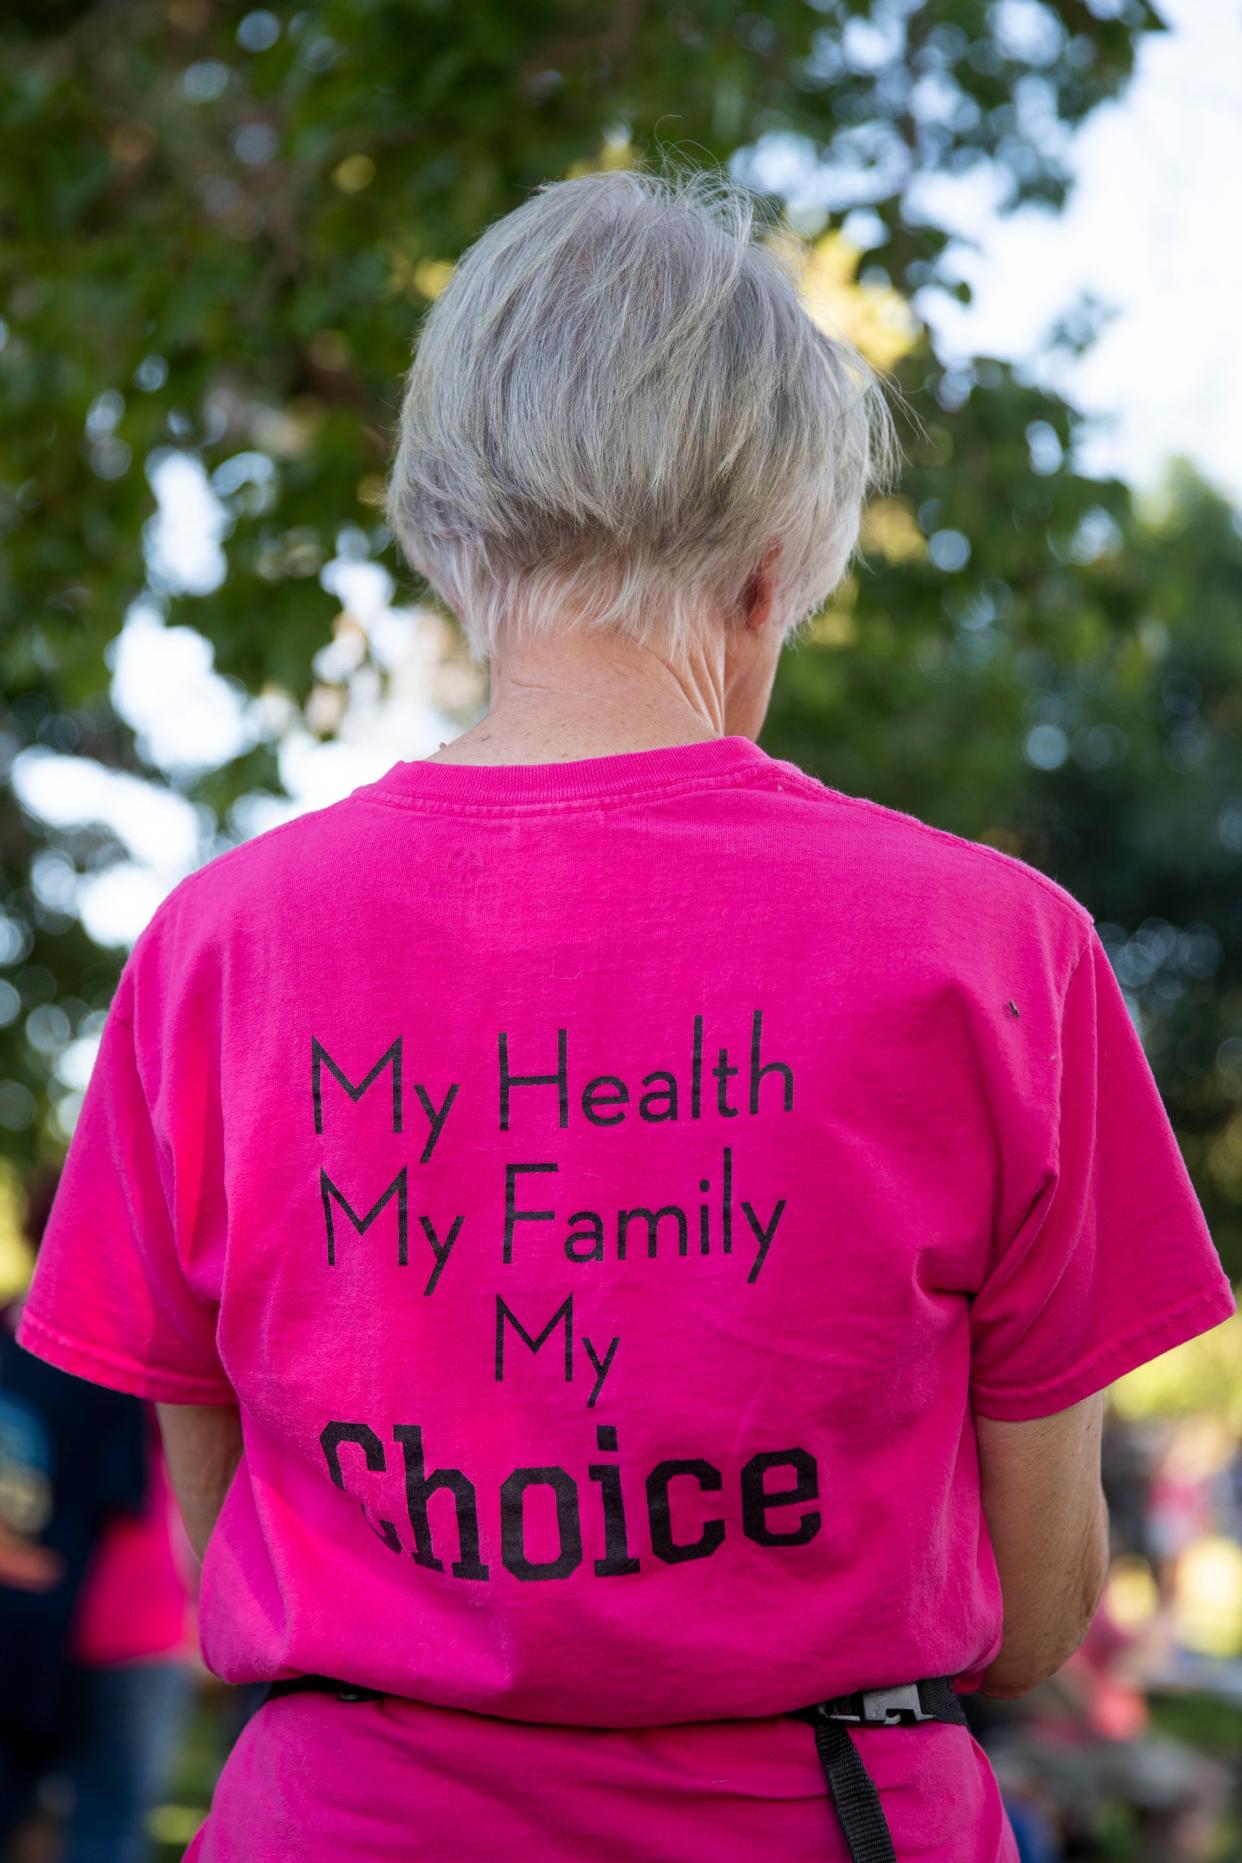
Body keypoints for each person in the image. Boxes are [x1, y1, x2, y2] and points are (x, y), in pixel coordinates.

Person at [16, 160, 1237, 1862]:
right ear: (769, 569)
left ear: (448, 528)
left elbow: (229, 1540)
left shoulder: (217, 952)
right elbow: (1034, 1616)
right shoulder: (995, 948)